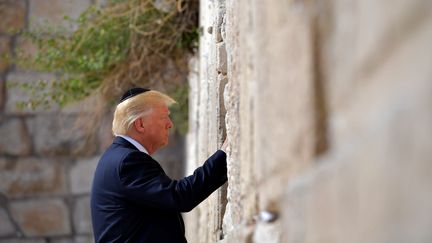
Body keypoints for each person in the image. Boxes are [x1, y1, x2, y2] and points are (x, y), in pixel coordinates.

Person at [90, 88, 228, 243]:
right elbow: (180, 196)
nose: (170, 124)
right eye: (164, 117)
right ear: (140, 124)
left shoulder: (119, 157)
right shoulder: (127, 162)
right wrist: (224, 155)